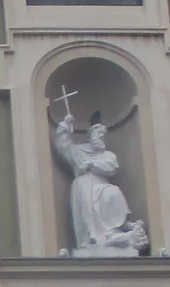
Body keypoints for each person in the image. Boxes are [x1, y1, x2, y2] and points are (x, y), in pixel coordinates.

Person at [52, 99, 149, 254]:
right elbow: (64, 148)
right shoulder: (80, 151)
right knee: (91, 218)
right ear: (91, 136)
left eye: (103, 136)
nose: (101, 139)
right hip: (84, 187)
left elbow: (112, 167)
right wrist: (65, 126)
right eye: (99, 135)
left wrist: (91, 165)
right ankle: (94, 239)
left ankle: (121, 226)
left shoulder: (107, 155)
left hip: (100, 186)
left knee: (113, 192)